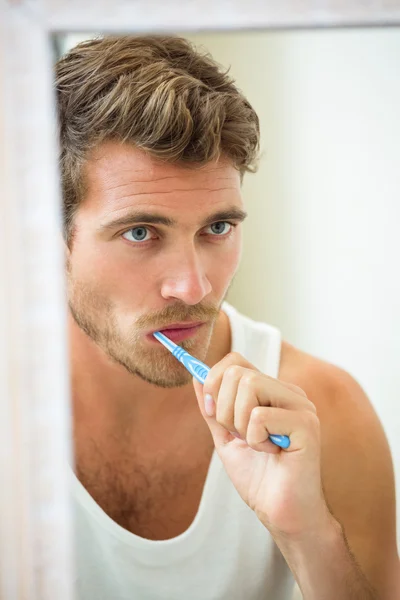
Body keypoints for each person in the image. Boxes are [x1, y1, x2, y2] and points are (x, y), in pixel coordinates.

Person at [55, 35, 399, 600]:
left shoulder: (325, 413)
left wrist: (308, 534)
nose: (194, 286)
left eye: (217, 228)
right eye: (140, 233)